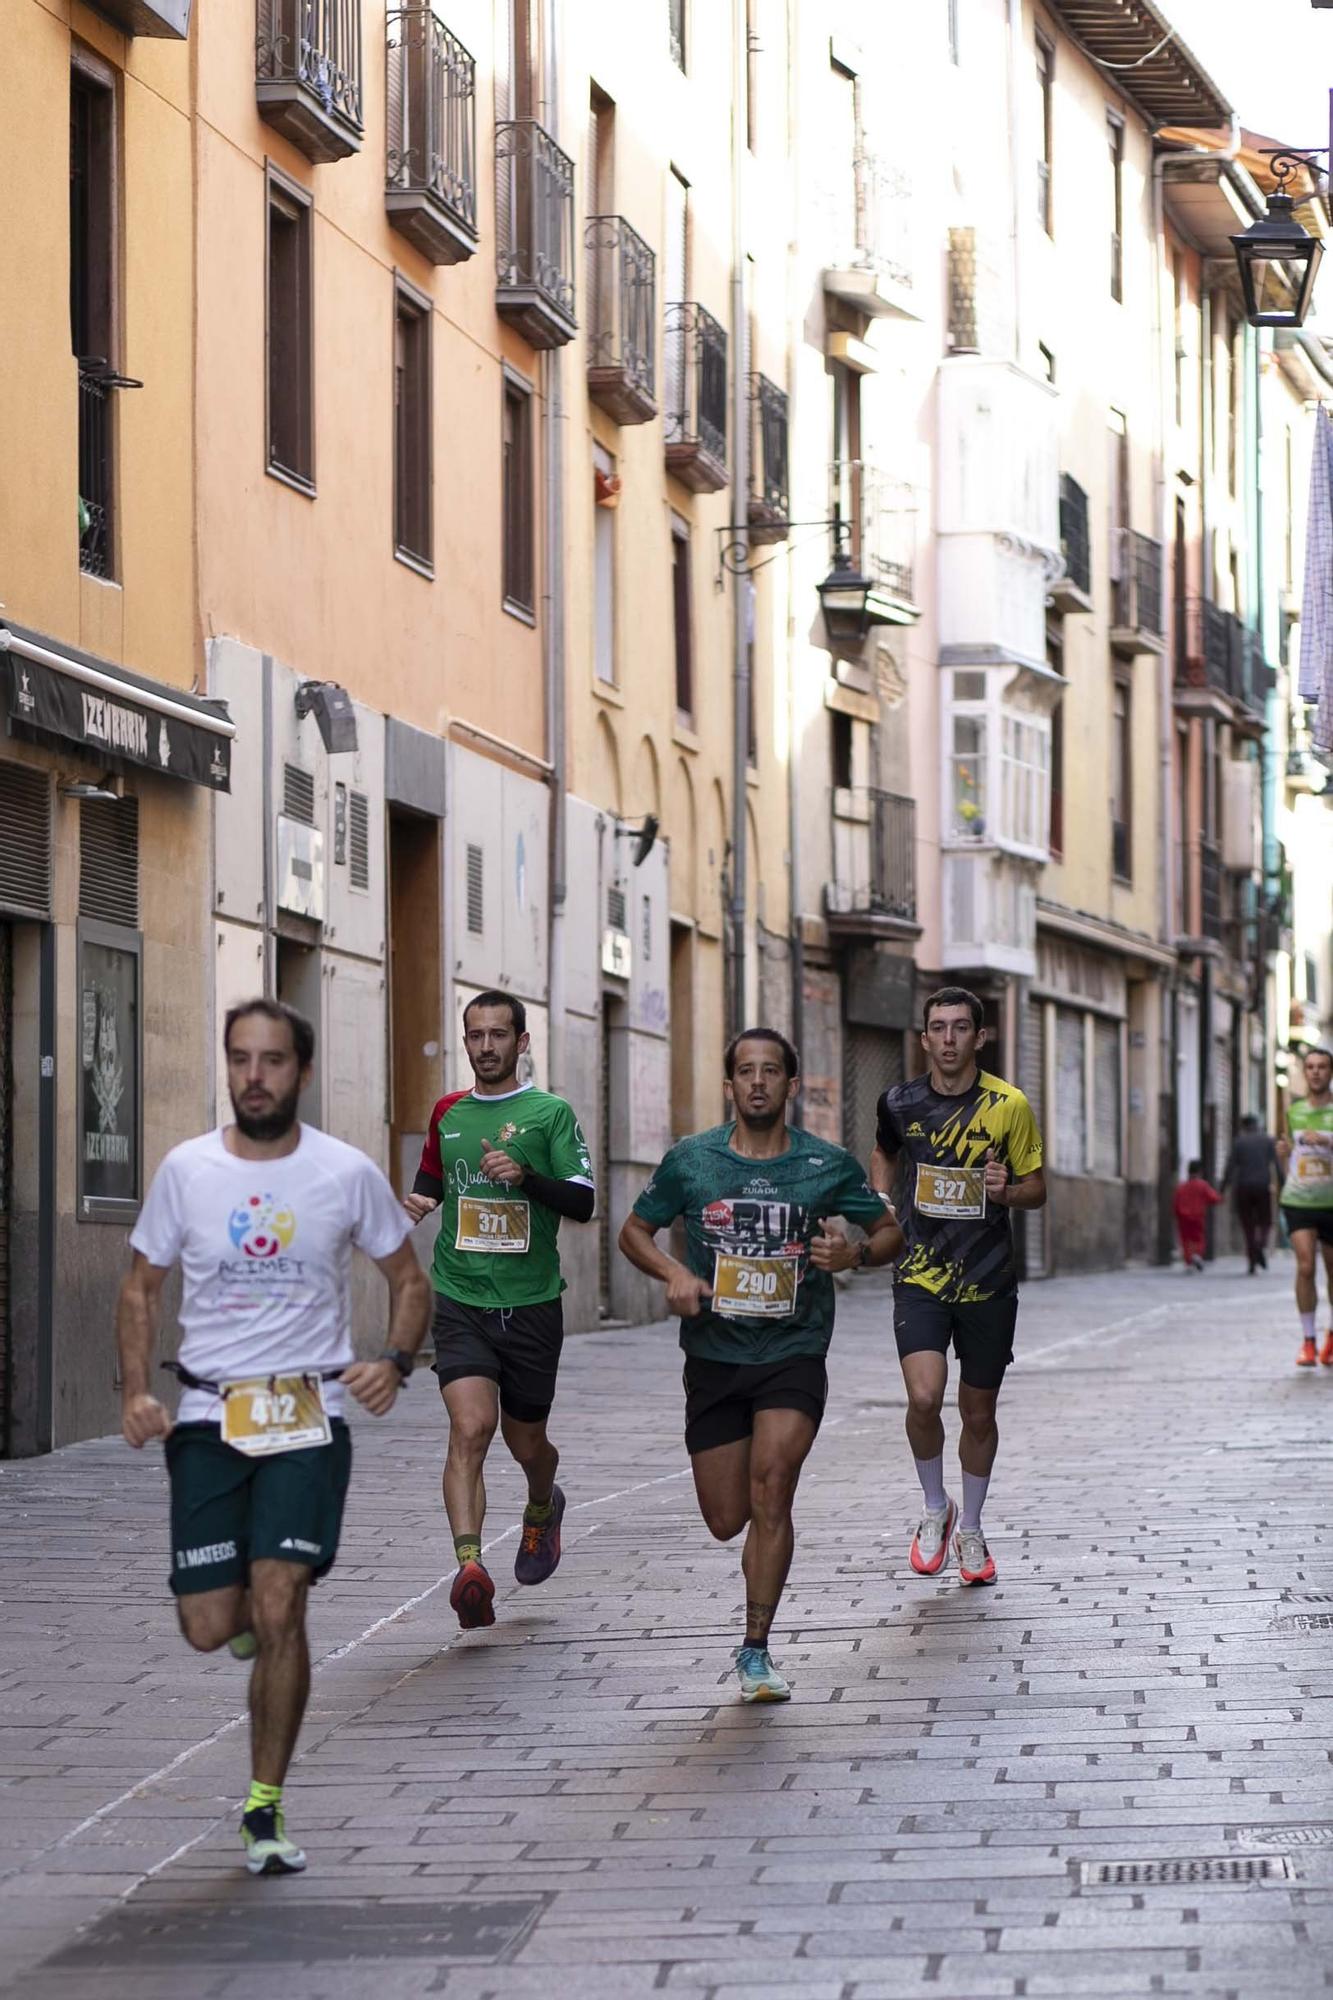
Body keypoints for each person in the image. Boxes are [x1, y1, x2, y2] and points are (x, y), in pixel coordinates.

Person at [117, 998, 430, 1877]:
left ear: (302, 1070)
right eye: (240, 1060)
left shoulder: (343, 1172)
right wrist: (137, 1390)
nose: (254, 1077)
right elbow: (141, 1288)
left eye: (273, 1061)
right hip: (212, 1418)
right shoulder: (187, 1170)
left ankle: (263, 1805)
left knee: (283, 1599)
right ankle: (247, 1621)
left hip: (307, 1417)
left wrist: (396, 1361)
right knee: (211, 1627)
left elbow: (408, 1277)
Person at [618, 1027, 902, 1703]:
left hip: (792, 1351)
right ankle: (754, 1587)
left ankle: (755, 1650)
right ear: (728, 1085)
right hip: (714, 1354)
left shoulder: (824, 1164)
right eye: (744, 1070)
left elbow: (890, 1231)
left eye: (769, 1071)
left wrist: (853, 1256)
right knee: (725, 1517)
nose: (756, 1082)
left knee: (772, 1486)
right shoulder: (692, 1161)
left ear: (789, 1085)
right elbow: (633, 1230)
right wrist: (671, 1274)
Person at [404, 991, 595, 1630]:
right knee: (470, 1428)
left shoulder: (550, 1113)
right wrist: (419, 1202)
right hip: (461, 1297)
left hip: (533, 1303)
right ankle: (469, 1569)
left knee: (527, 1442)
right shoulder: (448, 1112)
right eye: (475, 1036)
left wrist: (525, 1178)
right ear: (465, 1042)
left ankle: (543, 1505)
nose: (486, 1047)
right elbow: (435, 1175)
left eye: (498, 1035)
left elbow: (583, 1202)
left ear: (521, 1042)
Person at [870, 987, 1045, 1589]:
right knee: (923, 1398)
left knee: (978, 1411)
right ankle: (933, 1507)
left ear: (980, 1037)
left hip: (988, 1281)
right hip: (919, 1273)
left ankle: (970, 1527)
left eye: (960, 1027)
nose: (948, 1039)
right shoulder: (898, 1102)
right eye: (938, 1028)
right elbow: (883, 1154)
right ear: (924, 1038)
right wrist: (881, 1203)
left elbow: (1037, 1188)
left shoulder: (1008, 1105)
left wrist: (1005, 1190)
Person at [1277, 1045, 1333, 1367]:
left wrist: (1326, 1141)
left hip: (1331, 1202)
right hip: (1298, 1199)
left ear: (1330, 1072)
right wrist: (1282, 1150)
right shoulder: (1293, 1111)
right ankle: (1308, 1340)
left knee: (1332, 1274)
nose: (1315, 1072)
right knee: (1305, 1267)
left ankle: (1331, 1337)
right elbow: (1286, 1146)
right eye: (1310, 1066)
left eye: (1321, 1067)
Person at [1221, 1114, 1280, 1274]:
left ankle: (1252, 1261)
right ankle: (1260, 1245)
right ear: (1257, 1125)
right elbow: (1277, 1165)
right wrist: (1285, 1184)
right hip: (1262, 1186)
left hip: (1243, 1187)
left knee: (1248, 1226)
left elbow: (1230, 1166)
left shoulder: (1239, 1142)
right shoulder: (1268, 1141)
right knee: (1266, 1222)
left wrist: (1222, 1188)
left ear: (1244, 1126)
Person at [1173, 1159, 1222, 1272]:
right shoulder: (1202, 1185)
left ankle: (1189, 1260)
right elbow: (1213, 1198)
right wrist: (1220, 1198)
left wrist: (1176, 1214)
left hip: (1183, 1217)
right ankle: (1197, 1255)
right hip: (1197, 1216)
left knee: (1185, 1239)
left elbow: (1176, 1203)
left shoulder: (1182, 1187)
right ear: (1200, 1172)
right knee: (1198, 1238)